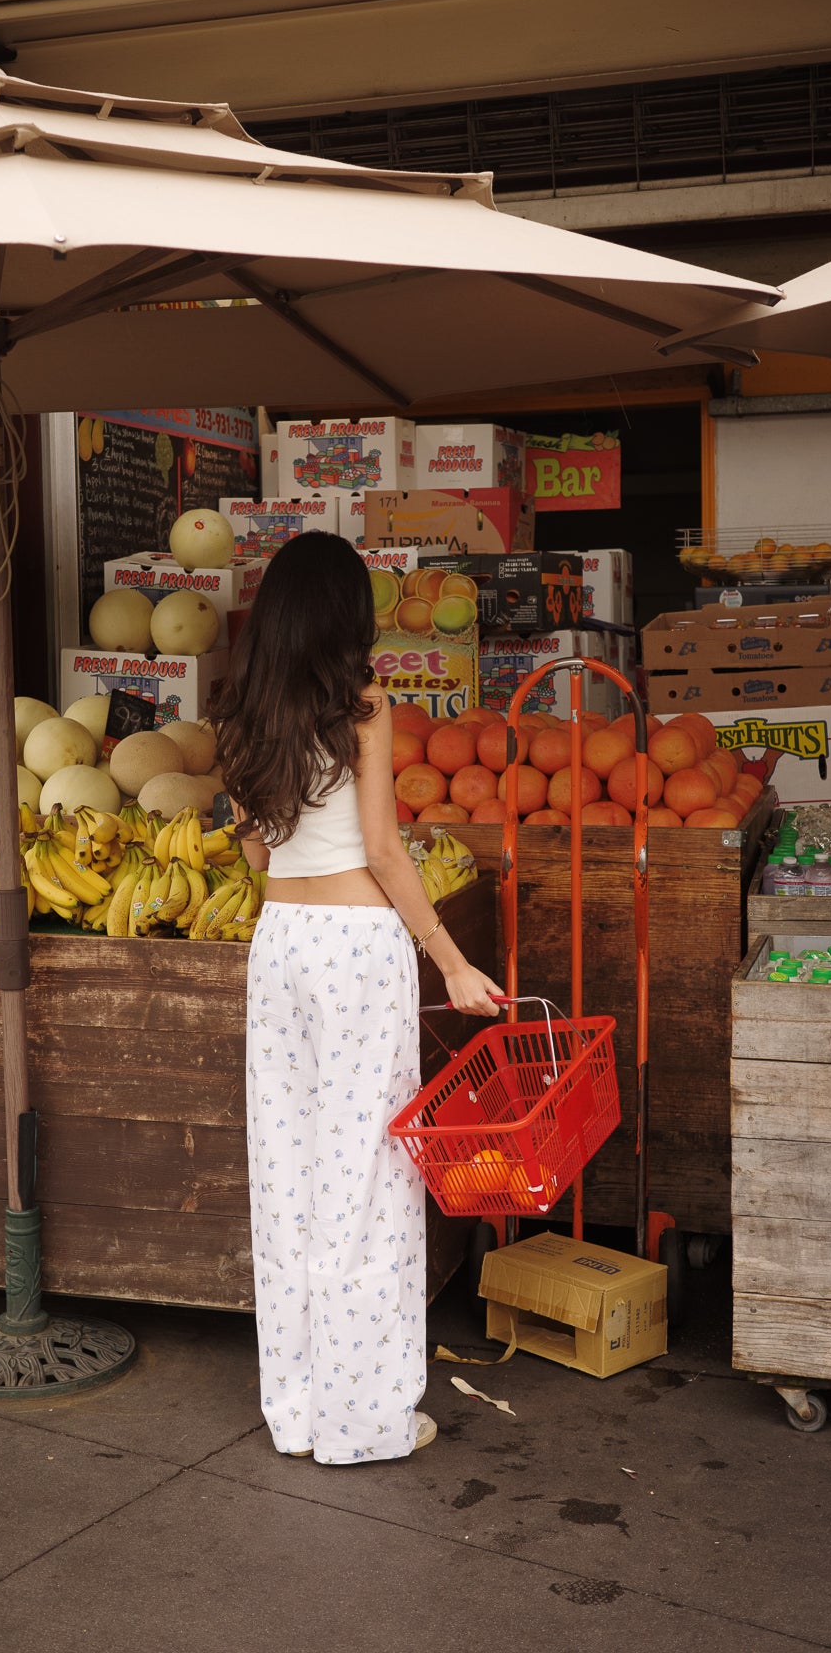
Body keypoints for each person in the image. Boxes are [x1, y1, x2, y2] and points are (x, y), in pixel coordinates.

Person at [208, 532, 502, 1465]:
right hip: (356, 949)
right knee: (367, 1183)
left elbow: (256, 851)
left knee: (288, 1178)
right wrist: (449, 959)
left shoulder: (245, 714)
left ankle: (296, 1410)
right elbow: (382, 852)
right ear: (346, 616)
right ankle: (363, 1419)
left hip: (281, 945)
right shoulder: (365, 707)